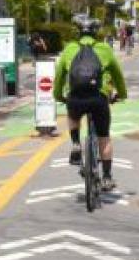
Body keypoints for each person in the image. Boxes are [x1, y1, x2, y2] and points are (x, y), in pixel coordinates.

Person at [53, 19, 127, 191]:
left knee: (72, 115)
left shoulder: (69, 49)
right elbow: (118, 75)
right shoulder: (105, 49)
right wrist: (121, 94)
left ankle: (76, 142)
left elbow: (59, 76)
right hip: (98, 99)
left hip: (76, 98)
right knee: (104, 137)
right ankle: (107, 177)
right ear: (96, 33)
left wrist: (59, 96)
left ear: (78, 33)